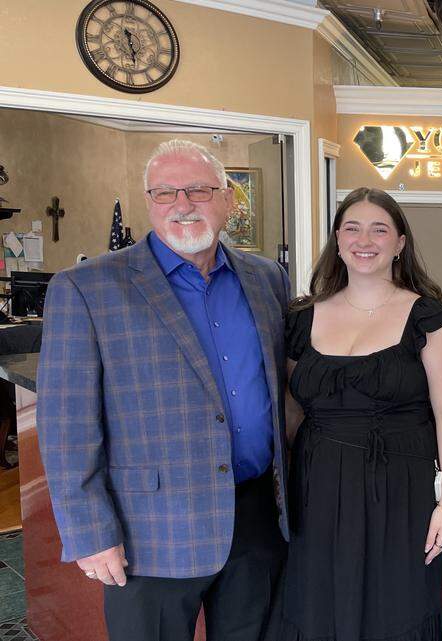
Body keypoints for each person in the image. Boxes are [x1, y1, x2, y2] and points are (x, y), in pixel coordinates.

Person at [37, 139, 291, 641]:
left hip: (257, 520)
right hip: (149, 531)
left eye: (198, 190)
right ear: (149, 201)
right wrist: (89, 533)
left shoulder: (266, 278)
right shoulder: (87, 288)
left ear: (228, 199)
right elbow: (67, 425)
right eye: (164, 193)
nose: (181, 205)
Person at [270, 187, 442, 640]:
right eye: (352, 228)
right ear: (337, 240)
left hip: (401, 486)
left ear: (400, 243)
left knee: (396, 605)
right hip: (317, 486)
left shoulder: (429, 319)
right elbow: (292, 409)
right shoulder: (301, 318)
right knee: (319, 602)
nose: (365, 240)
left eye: (380, 229)